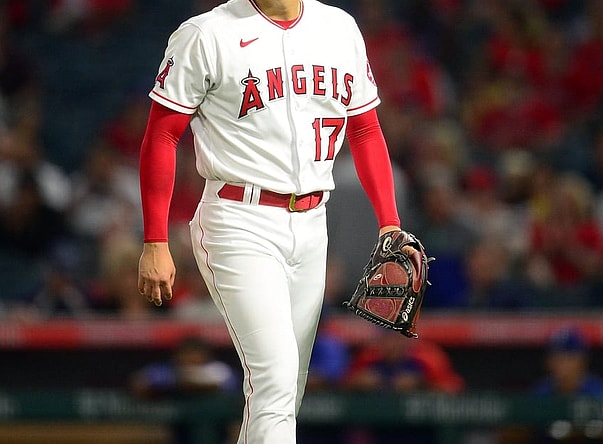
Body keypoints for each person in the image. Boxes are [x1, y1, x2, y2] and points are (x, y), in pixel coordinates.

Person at [137, 1, 407, 443]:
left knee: (284, 391)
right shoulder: (206, 33)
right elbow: (162, 135)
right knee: (276, 378)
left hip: (312, 222)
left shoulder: (339, 27)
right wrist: (155, 239)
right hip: (238, 217)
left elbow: (364, 128)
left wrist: (389, 222)